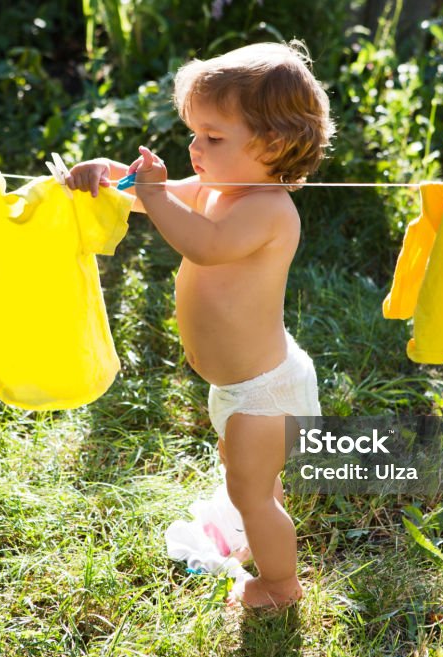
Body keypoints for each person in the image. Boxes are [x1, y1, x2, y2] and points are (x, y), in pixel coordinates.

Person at [67, 41, 334, 609]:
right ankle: (257, 526)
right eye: (194, 133)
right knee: (245, 476)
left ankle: (281, 587)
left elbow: (204, 244)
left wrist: (157, 194)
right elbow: (146, 200)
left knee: (251, 492)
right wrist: (109, 175)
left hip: (266, 392)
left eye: (214, 138)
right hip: (235, 386)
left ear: (274, 145)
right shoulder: (220, 186)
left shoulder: (267, 209)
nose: (195, 148)